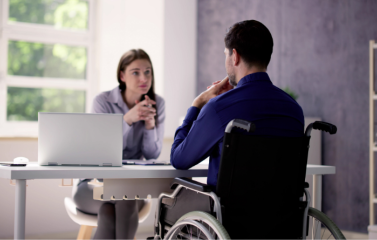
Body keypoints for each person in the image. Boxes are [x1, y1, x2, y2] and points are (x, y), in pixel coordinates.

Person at [171, 20, 304, 187]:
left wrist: (197, 104)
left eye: (226, 54)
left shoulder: (218, 108)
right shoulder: (294, 110)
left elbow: (179, 159)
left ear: (235, 56)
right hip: (283, 212)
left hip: (231, 212)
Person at [73, 49, 165, 239]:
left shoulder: (158, 103)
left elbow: (152, 155)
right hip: (92, 184)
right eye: (136, 72)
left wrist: (150, 127)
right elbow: (99, 151)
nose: (144, 78)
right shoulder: (102, 102)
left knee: (115, 207)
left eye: (148, 71)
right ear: (122, 75)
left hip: (130, 186)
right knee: (122, 201)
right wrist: (127, 120)